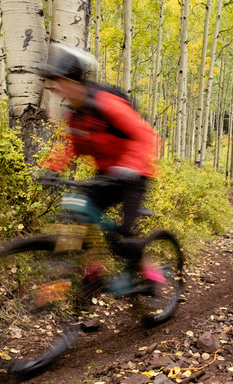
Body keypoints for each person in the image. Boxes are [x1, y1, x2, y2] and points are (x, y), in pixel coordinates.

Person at [39, 44, 165, 289]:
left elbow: (145, 135)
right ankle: (96, 272)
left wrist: (129, 167)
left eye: (59, 81)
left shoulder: (106, 103)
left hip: (134, 174)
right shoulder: (76, 115)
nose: (55, 87)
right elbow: (70, 147)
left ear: (74, 82)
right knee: (84, 213)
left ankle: (152, 277)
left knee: (126, 237)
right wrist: (51, 169)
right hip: (107, 174)